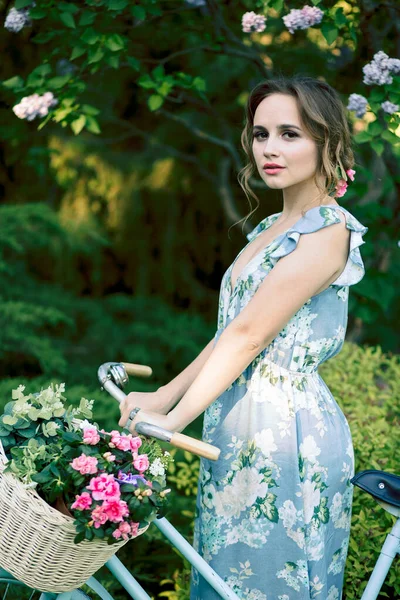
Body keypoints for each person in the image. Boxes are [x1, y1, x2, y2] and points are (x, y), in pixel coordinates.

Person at [119, 75, 368, 600]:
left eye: (290, 134)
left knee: (267, 580)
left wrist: (173, 420)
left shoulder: (329, 230)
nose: (269, 149)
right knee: (225, 575)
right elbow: (231, 332)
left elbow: (253, 336)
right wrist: (164, 396)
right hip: (237, 420)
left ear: (327, 143)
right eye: (260, 134)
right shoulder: (269, 229)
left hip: (285, 431)